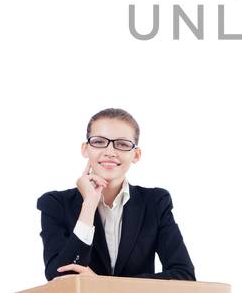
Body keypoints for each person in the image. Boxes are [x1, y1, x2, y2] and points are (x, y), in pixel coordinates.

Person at [37, 108, 195, 281]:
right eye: (99, 142)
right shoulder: (55, 204)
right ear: (85, 149)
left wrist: (104, 285)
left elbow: (184, 276)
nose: (110, 152)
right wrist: (89, 204)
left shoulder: (155, 202)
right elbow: (59, 278)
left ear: (136, 154)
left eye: (122, 144)